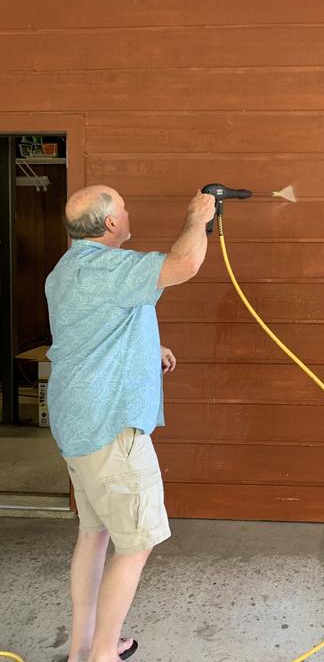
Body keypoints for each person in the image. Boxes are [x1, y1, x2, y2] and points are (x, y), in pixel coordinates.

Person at [45, 184, 216, 662]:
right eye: (122, 207)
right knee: (136, 545)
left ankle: (83, 648)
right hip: (110, 429)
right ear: (110, 224)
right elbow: (185, 263)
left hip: (78, 426)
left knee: (94, 534)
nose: (128, 211)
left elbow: (93, 328)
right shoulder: (109, 267)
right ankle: (102, 655)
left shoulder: (67, 270)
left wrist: (147, 348)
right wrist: (198, 217)